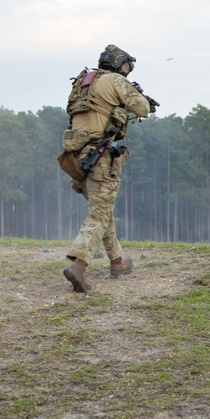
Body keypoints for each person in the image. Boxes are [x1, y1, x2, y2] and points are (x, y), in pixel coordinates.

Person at [63, 45, 154, 293]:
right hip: (100, 157)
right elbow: (142, 108)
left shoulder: (84, 81)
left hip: (77, 156)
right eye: (127, 66)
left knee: (103, 210)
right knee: (99, 214)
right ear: (120, 65)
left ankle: (117, 262)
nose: (128, 71)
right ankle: (79, 265)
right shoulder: (115, 80)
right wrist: (137, 98)